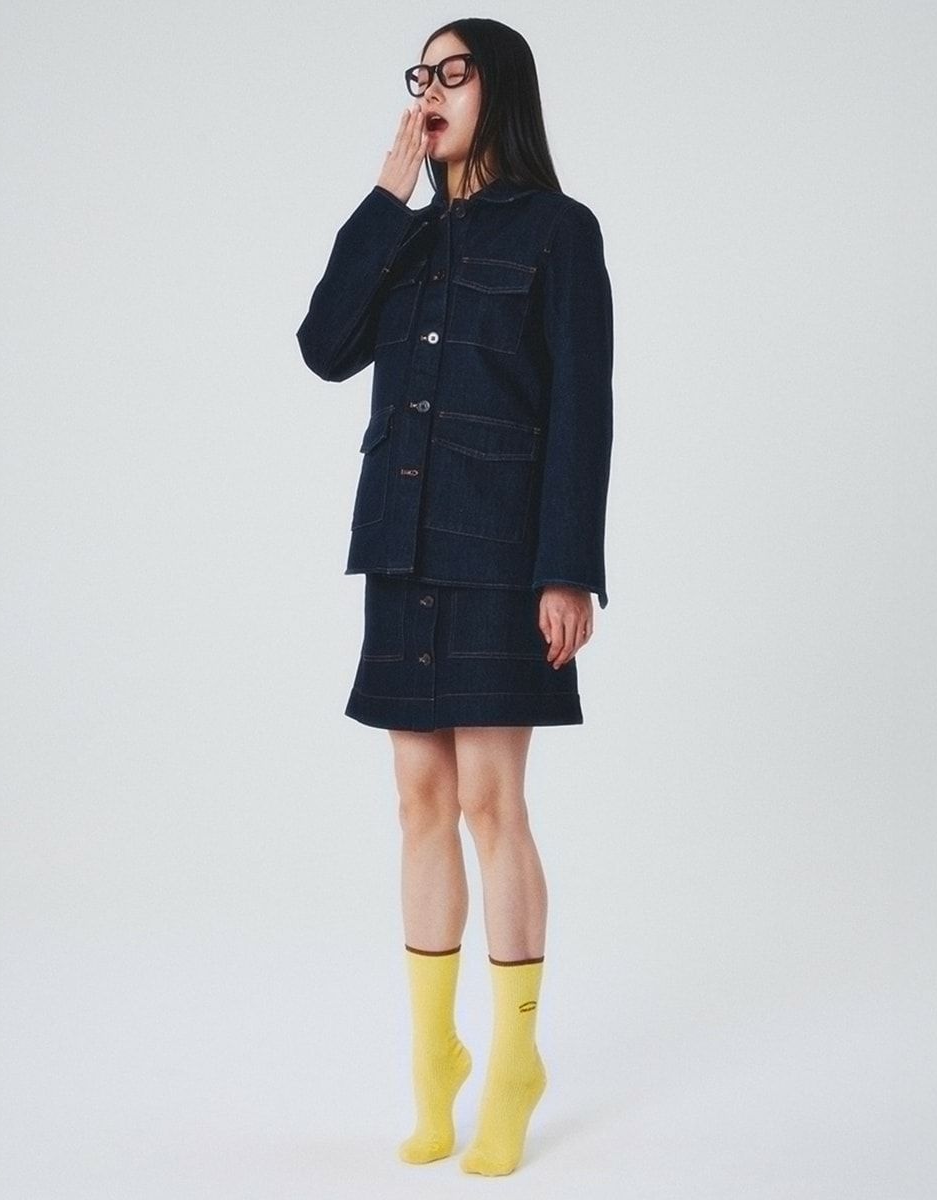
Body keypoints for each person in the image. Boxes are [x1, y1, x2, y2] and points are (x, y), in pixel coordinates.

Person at [295, 17, 614, 1176]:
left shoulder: (560, 232)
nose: (430, 90)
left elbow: (583, 404)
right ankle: (435, 1064)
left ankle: (514, 1062)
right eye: (420, 74)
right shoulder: (408, 236)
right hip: (403, 542)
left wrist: (566, 566)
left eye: (453, 72)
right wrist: (385, 198)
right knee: (417, 801)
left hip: (503, 547)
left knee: (491, 802)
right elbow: (325, 345)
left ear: (500, 90)